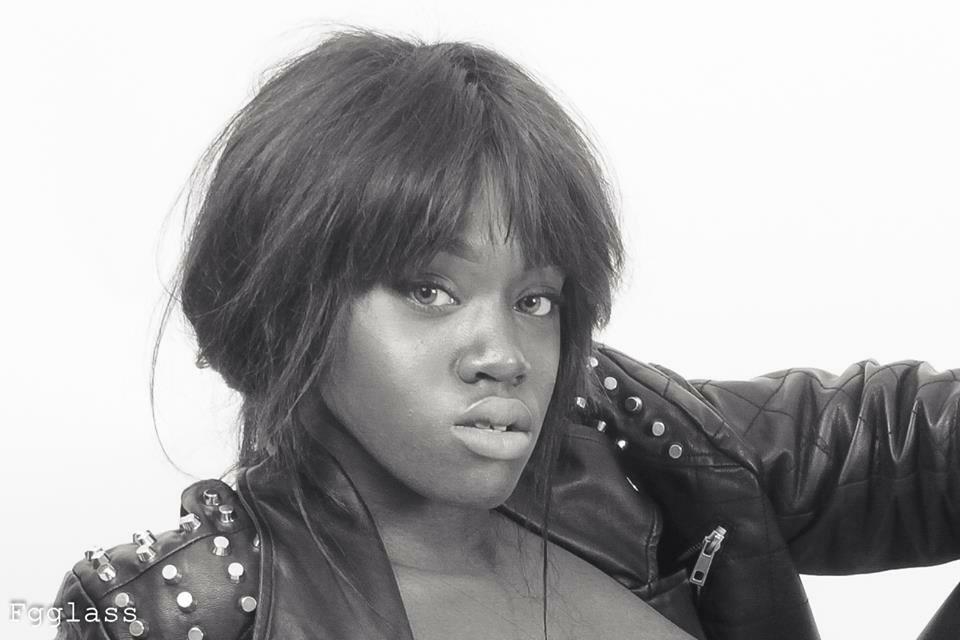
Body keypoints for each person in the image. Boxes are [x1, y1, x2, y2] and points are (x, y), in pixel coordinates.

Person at [51, 28, 960, 640]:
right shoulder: (181, 612)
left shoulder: (638, 452)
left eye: (535, 300)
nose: (503, 356)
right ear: (292, 303)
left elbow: (902, 435)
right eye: (430, 290)